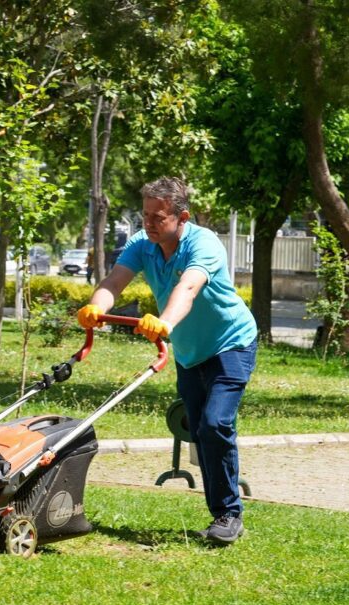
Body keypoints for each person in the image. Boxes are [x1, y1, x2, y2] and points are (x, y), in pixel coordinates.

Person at [76, 177, 257, 545]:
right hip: (191, 354)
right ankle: (221, 510)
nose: (149, 223)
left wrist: (165, 323)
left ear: (181, 216)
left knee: (214, 423)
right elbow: (114, 281)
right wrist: (96, 307)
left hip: (231, 344)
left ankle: (228, 514)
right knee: (200, 430)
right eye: (145, 215)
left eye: (158, 217)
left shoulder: (203, 243)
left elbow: (188, 286)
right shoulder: (142, 245)